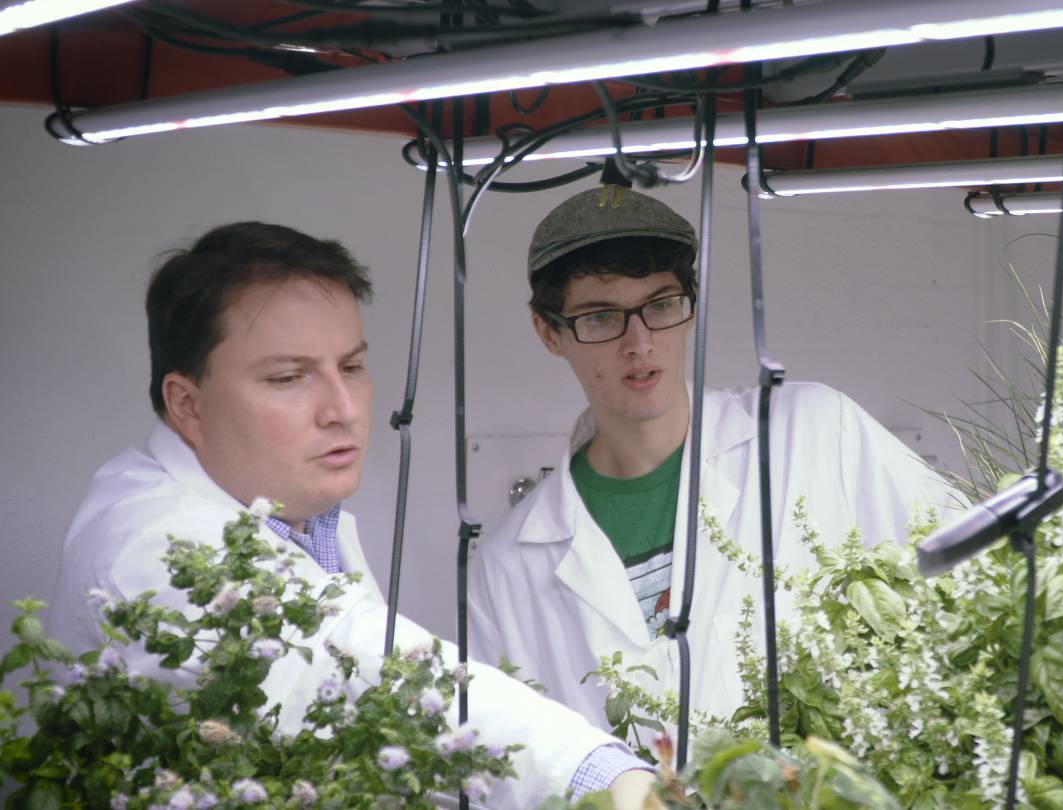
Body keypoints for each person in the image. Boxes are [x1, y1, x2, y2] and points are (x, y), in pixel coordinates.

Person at [46, 222, 654, 810]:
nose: (342, 409)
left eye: (353, 366)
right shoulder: (152, 545)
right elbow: (363, 672)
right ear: (186, 402)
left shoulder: (297, 514)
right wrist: (598, 776)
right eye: (288, 377)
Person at [467, 187, 959, 735]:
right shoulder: (505, 568)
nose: (640, 343)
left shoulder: (814, 431)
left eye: (660, 306)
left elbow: (977, 583)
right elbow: (504, 766)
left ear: (690, 304)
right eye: (601, 317)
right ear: (549, 331)